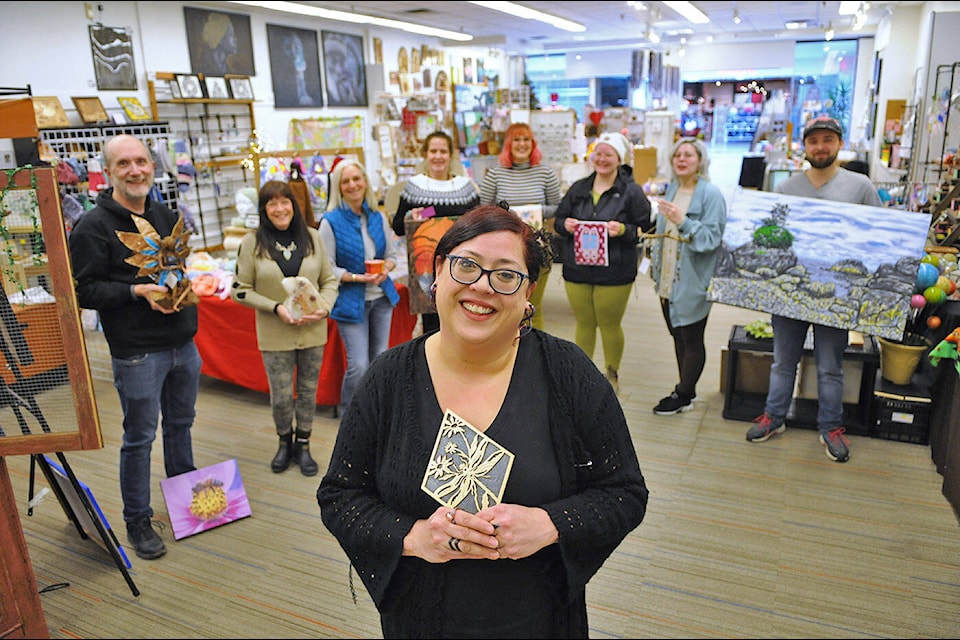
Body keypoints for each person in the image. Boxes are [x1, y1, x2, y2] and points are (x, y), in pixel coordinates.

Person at [317, 204, 648, 638]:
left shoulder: (567, 372)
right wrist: (415, 536)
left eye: (506, 275)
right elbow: (340, 496)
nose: (482, 287)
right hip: (421, 621)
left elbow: (624, 492)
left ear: (528, 292)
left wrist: (549, 525)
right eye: (466, 266)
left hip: (539, 620)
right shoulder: (389, 378)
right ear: (438, 271)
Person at [68, 134, 202, 560]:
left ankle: (186, 502)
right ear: (108, 171)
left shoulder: (164, 214)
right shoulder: (93, 226)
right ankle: (138, 521)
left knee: (181, 424)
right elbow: (84, 290)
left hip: (183, 341)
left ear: (152, 164)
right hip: (138, 350)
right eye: (123, 163)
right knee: (140, 437)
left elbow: (172, 263)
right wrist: (136, 292)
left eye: (141, 161)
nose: (135, 170)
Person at [746, 116, 883, 463]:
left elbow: (879, 234)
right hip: (791, 292)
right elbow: (772, 239)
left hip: (837, 295)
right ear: (804, 147)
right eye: (814, 141)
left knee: (830, 366)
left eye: (828, 140)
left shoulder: (860, 186)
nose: (820, 147)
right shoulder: (787, 188)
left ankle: (831, 426)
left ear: (838, 144)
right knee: (783, 362)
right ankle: (773, 417)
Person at [231, 181, 339, 476]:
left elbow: (329, 281)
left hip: (312, 330)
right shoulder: (252, 242)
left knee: (307, 391)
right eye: (272, 204)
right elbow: (239, 290)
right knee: (280, 395)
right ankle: (284, 442)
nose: (280, 209)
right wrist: (275, 307)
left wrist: (324, 307)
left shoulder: (313, 238)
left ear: (294, 204)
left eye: (285, 202)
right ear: (264, 209)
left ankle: (303, 445)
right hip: (275, 333)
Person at [553, 131, 653, 393]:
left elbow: (646, 228)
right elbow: (559, 220)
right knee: (584, 322)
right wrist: (566, 224)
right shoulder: (579, 188)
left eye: (609, 154)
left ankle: (612, 374)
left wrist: (622, 230)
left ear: (619, 158)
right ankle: (583, 375)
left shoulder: (631, 191)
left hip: (616, 271)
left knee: (609, 324)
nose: (602, 158)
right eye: (598, 153)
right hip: (577, 268)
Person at [649, 138, 727, 415]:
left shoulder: (710, 194)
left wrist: (684, 221)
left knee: (691, 337)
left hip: (693, 280)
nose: (682, 159)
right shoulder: (672, 190)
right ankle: (687, 388)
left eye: (689, 155)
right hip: (668, 278)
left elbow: (711, 239)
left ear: (700, 161)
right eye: (677, 155)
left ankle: (683, 394)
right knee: (677, 335)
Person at [319, 159, 400, 417]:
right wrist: (356, 277)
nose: (353, 185)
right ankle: (349, 415)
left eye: (357, 179)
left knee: (380, 359)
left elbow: (392, 252)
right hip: (350, 302)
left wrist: (386, 268)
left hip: (381, 298)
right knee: (359, 365)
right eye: (346, 181)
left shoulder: (378, 216)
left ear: (365, 182)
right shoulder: (330, 222)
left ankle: (376, 414)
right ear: (339, 187)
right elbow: (326, 266)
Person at [392, 130, 481, 334]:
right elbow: (397, 225)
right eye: (433, 151)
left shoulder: (465, 188)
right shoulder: (414, 187)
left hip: (462, 269)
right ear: (425, 154)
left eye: (443, 151)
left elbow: (477, 222)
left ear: (451, 155)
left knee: (462, 318)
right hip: (425, 270)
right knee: (432, 327)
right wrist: (412, 216)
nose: (438, 156)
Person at [479, 122, 562, 330]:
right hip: (501, 251)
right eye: (516, 139)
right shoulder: (495, 175)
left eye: (526, 139)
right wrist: (507, 215)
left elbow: (557, 207)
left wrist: (534, 212)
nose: (522, 144)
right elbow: (483, 210)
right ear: (508, 144)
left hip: (538, 248)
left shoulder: (545, 173)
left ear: (533, 144)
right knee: (505, 305)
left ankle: (537, 352)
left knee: (534, 305)